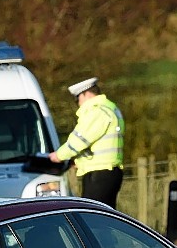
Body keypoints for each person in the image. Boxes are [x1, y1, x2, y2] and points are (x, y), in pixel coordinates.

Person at [49, 76, 125, 208]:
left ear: (86, 94)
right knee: (104, 217)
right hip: (109, 172)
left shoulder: (96, 111)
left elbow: (80, 140)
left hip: (99, 175)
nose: (78, 103)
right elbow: (98, 143)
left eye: (77, 98)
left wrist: (58, 156)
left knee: (94, 218)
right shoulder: (111, 108)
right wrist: (78, 161)